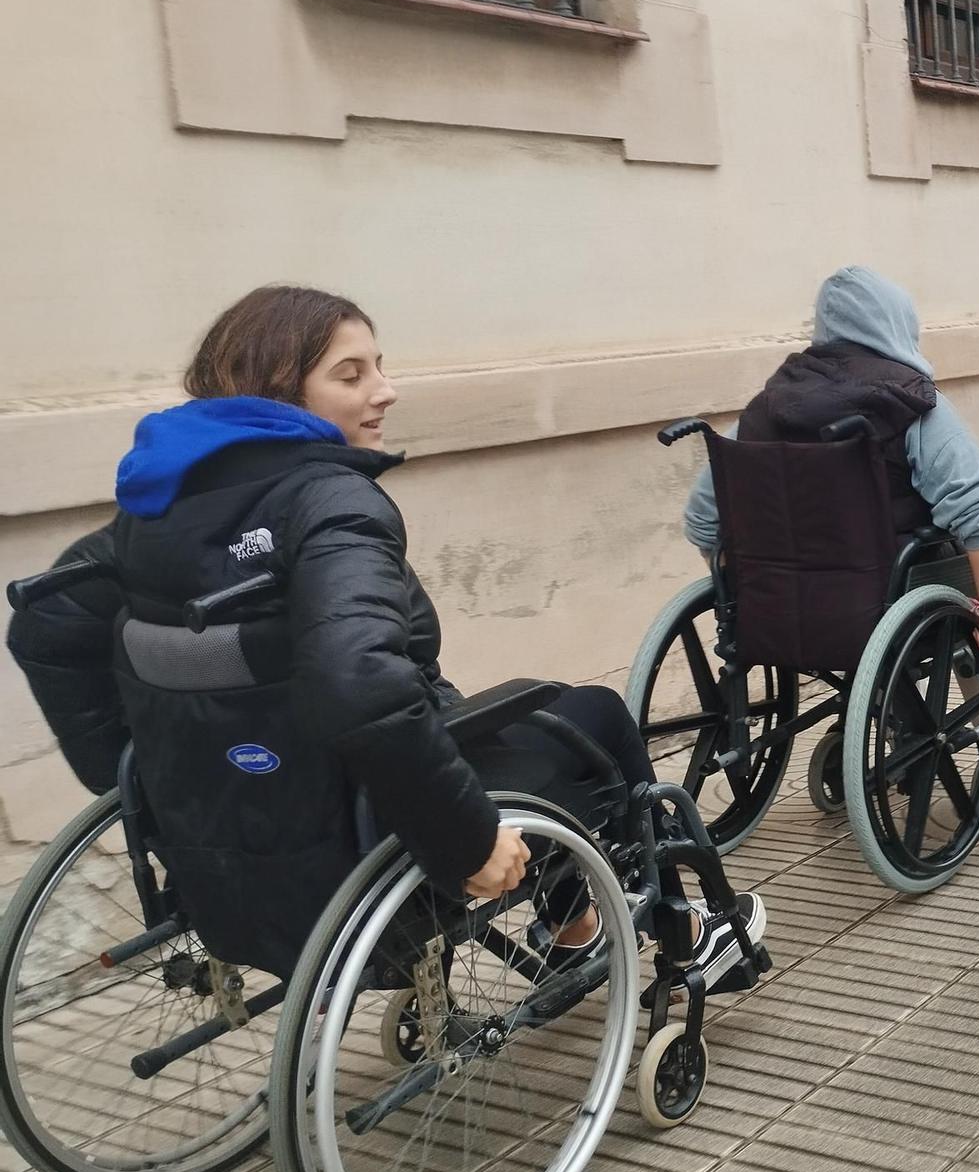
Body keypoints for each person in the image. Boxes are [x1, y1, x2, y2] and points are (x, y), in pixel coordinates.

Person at [7, 285, 765, 976]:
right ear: (279, 386)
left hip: (225, 845)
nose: (385, 391)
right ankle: (674, 934)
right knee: (588, 719)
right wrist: (465, 840)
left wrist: (146, 780)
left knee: (524, 728)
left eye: (380, 367)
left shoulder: (154, 507)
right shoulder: (327, 501)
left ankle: (580, 927)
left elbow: (46, 625)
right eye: (352, 374)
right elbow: (362, 685)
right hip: (366, 829)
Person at [682, 266, 979, 745]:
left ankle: (884, 712)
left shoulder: (765, 408)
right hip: (887, 599)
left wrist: (752, 582)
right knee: (967, 566)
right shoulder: (911, 403)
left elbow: (704, 520)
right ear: (897, 324)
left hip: (774, 610)